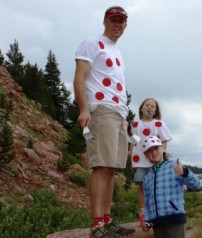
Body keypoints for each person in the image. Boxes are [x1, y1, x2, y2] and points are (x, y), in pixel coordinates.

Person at [73, 6, 135, 238]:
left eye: (121, 21)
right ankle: (97, 224)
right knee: (101, 166)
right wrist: (83, 109)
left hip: (118, 113)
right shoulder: (92, 43)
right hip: (102, 110)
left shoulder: (116, 51)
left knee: (111, 168)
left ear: (125, 25)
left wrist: (126, 117)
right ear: (105, 21)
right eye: (113, 20)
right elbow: (79, 77)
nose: (117, 24)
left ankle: (107, 220)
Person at [141, 136, 202, 238]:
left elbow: (196, 185)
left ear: (163, 149)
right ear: (146, 155)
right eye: (149, 150)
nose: (153, 152)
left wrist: (185, 173)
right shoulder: (147, 178)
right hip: (157, 224)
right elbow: (148, 201)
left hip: (175, 220)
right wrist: (147, 220)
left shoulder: (175, 166)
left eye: (156, 148)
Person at [129, 98, 172, 227]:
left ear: (155, 111)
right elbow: (133, 143)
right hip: (140, 162)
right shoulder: (135, 125)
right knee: (142, 186)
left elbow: (164, 140)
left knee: (156, 186)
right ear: (141, 108)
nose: (150, 108)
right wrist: (132, 160)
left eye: (153, 106)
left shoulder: (159, 124)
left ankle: (157, 213)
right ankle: (144, 212)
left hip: (155, 161)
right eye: (147, 105)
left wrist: (162, 152)